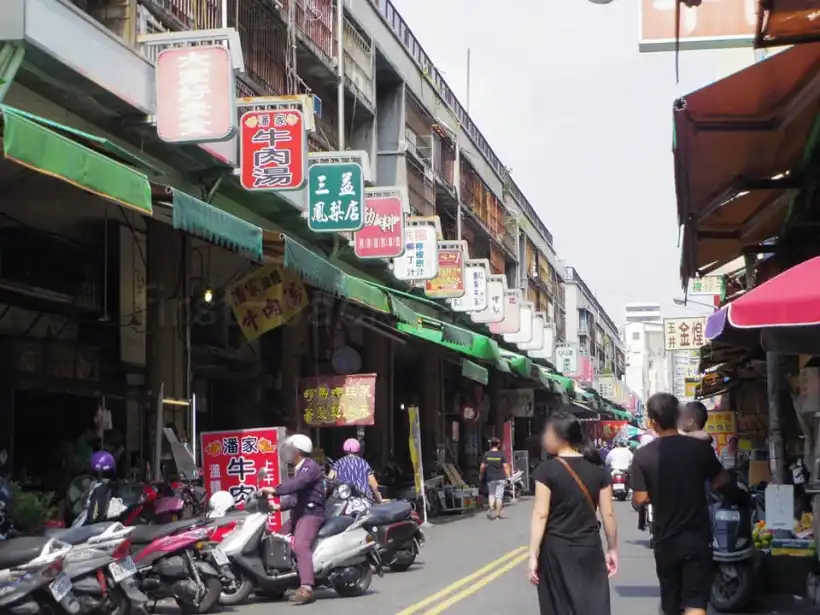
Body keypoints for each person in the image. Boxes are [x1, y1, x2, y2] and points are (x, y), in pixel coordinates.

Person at [631, 393, 729, 615]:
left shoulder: (643, 455)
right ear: (677, 416)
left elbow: (639, 499)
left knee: (671, 602)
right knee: (695, 601)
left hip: (665, 539)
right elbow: (721, 480)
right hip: (697, 537)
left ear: (652, 421)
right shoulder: (699, 449)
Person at [528, 411, 618, 614]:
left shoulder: (546, 470)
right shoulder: (599, 471)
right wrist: (612, 549)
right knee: (591, 605)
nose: (544, 437)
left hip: (556, 550)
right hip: (590, 549)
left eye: (547, 432)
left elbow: (540, 514)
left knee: (558, 606)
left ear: (560, 437)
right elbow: (608, 515)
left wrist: (532, 556)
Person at [258, 434, 325, 605]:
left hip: (311, 514)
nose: (285, 452)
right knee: (276, 541)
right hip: (298, 514)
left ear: (298, 451)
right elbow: (295, 497)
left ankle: (307, 587)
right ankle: (277, 584)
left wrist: (273, 489)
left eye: (289, 449)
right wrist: (276, 507)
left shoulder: (310, 467)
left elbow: (295, 485)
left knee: (301, 544)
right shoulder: (298, 469)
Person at [327, 438, 384, 505]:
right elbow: (373, 484)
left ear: (344, 449)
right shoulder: (363, 463)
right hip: (362, 500)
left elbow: (329, 480)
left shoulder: (339, 463)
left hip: (342, 500)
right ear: (358, 450)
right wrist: (380, 499)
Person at [479, 437, 510, 520]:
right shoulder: (501, 454)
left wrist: (481, 475)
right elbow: (505, 466)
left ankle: (491, 507)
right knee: (499, 496)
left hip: (490, 478)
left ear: (490, 444)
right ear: (498, 445)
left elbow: (482, 466)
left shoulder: (487, 454)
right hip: (501, 478)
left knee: (492, 494)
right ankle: (497, 514)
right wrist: (508, 477)